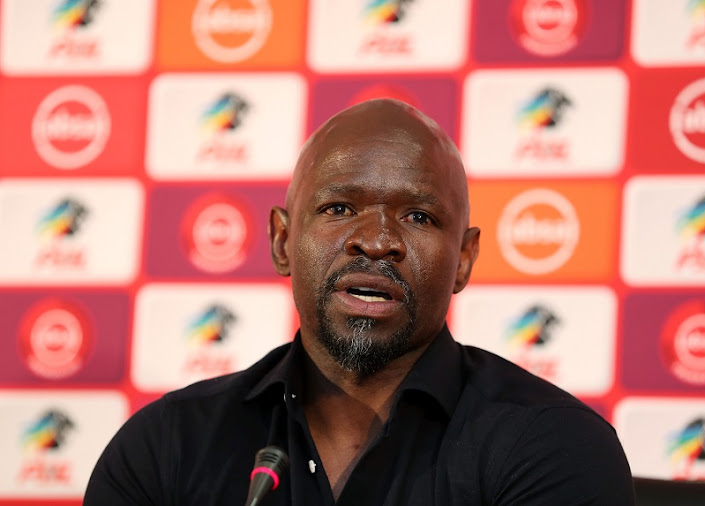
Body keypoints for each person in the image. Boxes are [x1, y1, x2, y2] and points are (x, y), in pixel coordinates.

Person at [83, 99, 634, 505]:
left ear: (463, 259)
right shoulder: (167, 446)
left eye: (418, 217)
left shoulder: (552, 445)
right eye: (340, 209)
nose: (375, 240)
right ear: (281, 241)